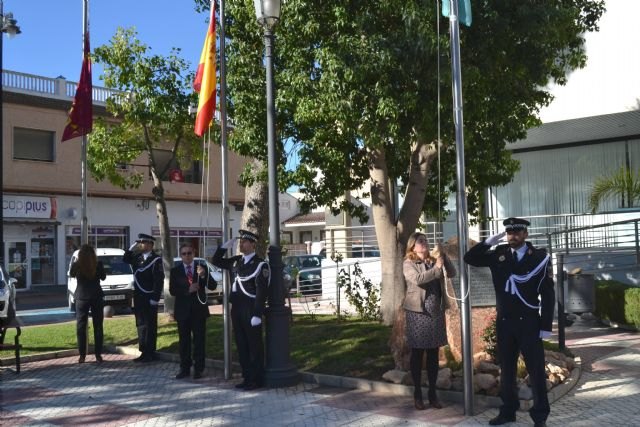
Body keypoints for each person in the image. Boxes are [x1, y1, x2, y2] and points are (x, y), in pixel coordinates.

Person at [464, 218, 554, 427]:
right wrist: (487, 243)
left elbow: (548, 294)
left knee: (536, 371)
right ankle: (508, 411)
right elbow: (470, 258)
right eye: (509, 232)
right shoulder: (499, 254)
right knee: (507, 369)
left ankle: (540, 416)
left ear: (525, 235)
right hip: (505, 322)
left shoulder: (539, 257)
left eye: (517, 232)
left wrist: (546, 327)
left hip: (529, 323)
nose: (512, 235)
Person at [402, 232, 456, 410]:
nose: (424, 243)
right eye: (420, 241)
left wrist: (444, 258)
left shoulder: (434, 261)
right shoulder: (409, 263)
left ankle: (432, 394)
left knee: (434, 353)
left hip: (434, 311)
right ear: (413, 246)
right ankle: (418, 393)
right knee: (417, 353)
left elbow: (453, 273)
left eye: (425, 241)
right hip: (417, 312)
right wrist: (436, 268)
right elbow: (418, 280)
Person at [212, 229, 269, 391]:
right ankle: (247, 377)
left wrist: (258, 314)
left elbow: (261, 292)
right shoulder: (237, 261)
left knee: (254, 345)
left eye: (244, 242)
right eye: (240, 242)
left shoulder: (260, 264)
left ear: (252, 244)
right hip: (236, 308)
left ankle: (257, 379)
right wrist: (224, 247)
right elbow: (216, 260)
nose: (241, 244)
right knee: (242, 344)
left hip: (251, 309)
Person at [170, 243, 217, 380]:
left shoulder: (201, 268)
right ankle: (184, 368)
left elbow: (213, 286)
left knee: (199, 341)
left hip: (198, 311)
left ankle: (198, 369)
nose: (187, 256)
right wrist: (187, 290)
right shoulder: (175, 271)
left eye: (189, 253)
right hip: (183, 311)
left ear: (194, 253)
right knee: (184, 342)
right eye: (184, 254)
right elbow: (173, 290)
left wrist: (203, 276)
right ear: (181, 255)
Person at [123, 233, 164, 363]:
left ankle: (150, 352)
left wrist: (156, 297)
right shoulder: (137, 258)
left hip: (150, 295)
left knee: (150, 325)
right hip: (139, 296)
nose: (141, 245)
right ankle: (143, 351)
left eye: (144, 242)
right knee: (141, 324)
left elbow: (159, 280)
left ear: (151, 244)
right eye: (140, 242)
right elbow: (125, 259)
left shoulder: (156, 259)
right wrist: (131, 248)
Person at [69, 244, 107, 364]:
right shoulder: (98, 264)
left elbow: (71, 274)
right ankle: (98, 355)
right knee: (98, 326)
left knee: (81, 327)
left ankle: (82, 355)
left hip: (81, 297)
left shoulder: (77, 265)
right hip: (96, 296)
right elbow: (104, 277)